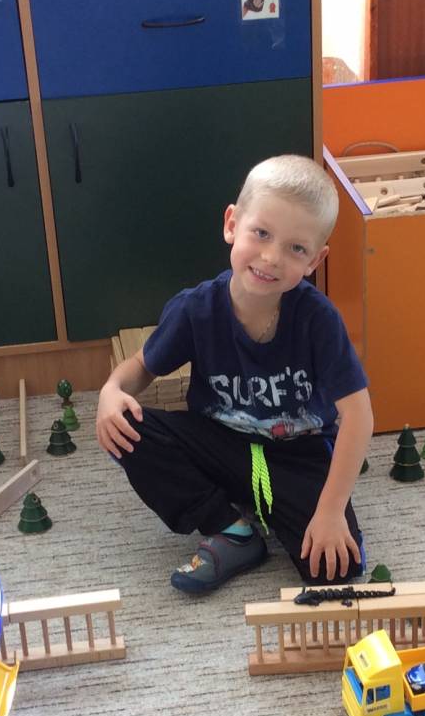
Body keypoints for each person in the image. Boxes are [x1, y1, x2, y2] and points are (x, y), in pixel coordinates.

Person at [95, 154, 372, 593]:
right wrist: (111, 390)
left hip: (297, 454)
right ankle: (230, 528)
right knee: (124, 425)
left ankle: (270, 509)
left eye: (296, 248)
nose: (271, 257)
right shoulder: (195, 309)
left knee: (334, 570)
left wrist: (331, 510)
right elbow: (141, 367)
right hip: (218, 445)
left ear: (315, 260)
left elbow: (359, 415)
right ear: (232, 224)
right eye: (261, 233)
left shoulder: (319, 320)